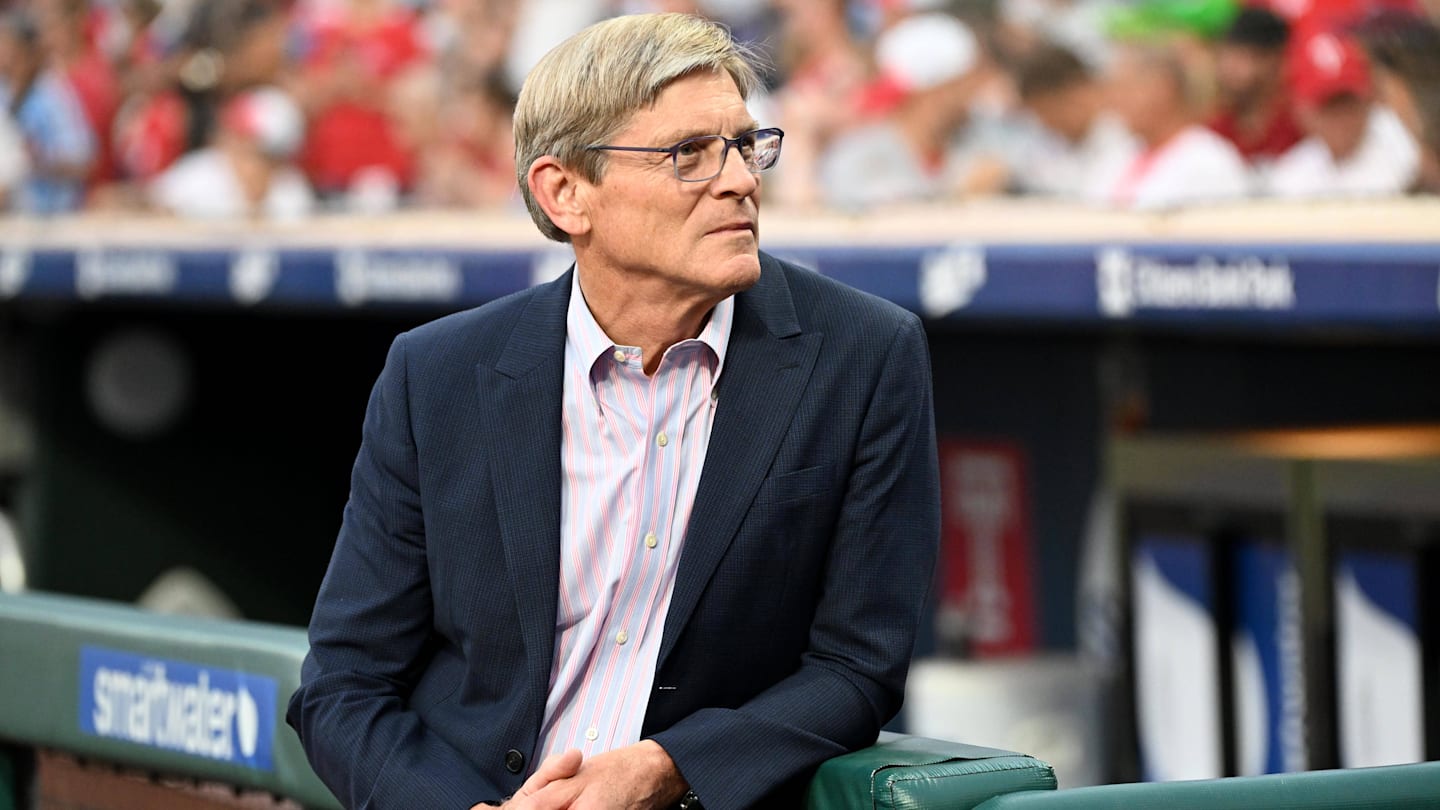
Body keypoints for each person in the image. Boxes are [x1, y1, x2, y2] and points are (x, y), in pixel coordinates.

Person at [287, 12, 941, 810]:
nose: (739, 179)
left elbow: (858, 667)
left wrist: (669, 769)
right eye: (689, 155)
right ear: (565, 193)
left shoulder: (865, 354)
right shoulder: (437, 375)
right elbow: (344, 686)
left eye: (744, 145)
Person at [1264, 31, 1419, 198]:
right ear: (1303, 112)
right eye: (1328, 107)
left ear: (1368, 101)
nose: (1341, 119)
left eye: (1348, 103)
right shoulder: (1291, 176)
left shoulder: (1400, 146)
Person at [1103, 39, 1252, 209]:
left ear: (1163, 88)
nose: (1117, 101)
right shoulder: (1121, 153)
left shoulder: (1208, 159)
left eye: (1127, 90)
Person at [1011, 42, 1138, 202]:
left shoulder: (1127, 142)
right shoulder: (1046, 146)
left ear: (1080, 90)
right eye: (1039, 114)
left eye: (1050, 110)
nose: (1046, 122)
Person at [1208, 7, 1303, 164]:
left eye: (1242, 57)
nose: (1229, 69)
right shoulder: (1215, 132)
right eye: (1225, 57)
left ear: (1275, 61)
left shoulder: (1299, 126)